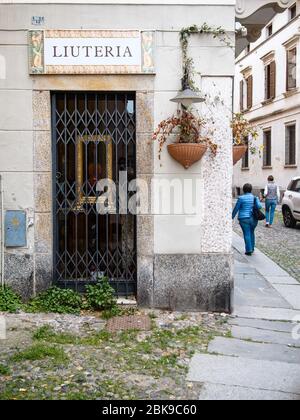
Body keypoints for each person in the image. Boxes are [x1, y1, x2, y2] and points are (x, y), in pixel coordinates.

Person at [232, 183, 263, 256]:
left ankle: (248, 250)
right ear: (251, 190)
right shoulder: (255, 197)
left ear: (243, 190)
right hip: (253, 218)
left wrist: (232, 217)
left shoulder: (241, 198)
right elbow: (259, 206)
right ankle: (252, 248)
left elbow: (236, 208)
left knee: (246, 233)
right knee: (252, 232)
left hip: (243, 218)